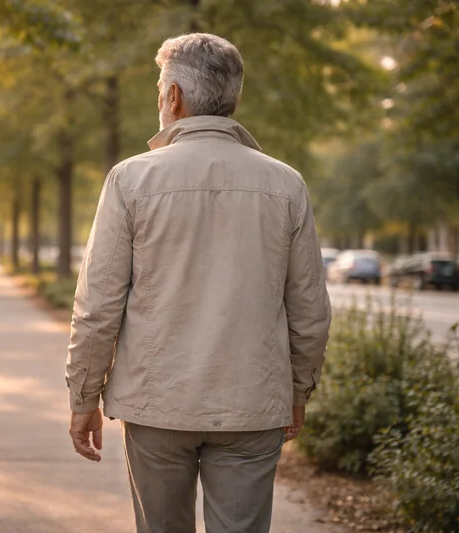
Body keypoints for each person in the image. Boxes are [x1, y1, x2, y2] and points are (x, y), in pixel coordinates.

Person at [65, 32, 331, 533]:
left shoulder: (129, 180)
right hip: (252, 407)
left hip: (155, 405)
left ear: (173, 98)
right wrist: (297, 393)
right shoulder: (286, 184)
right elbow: (311, 312)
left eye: (159, 90)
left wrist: (83, 398)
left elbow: (97, 307)